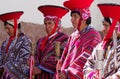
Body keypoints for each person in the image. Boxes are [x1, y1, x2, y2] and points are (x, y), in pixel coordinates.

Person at [55, 0, 101, 79]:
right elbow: (65, 57)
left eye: (75, 16)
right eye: (71, 16)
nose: (72, 19)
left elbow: (87, 60)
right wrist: (60, 68)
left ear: (84, 17)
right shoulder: (73, 35)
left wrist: (68, 72)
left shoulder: (93, 36)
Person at [83, 4, 120, 79]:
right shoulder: (100, 47)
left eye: (106, 25)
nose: (103, 29)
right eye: (103, 25)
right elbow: (87, 66)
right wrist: (92, 76)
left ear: (115, 27)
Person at [33, 5, 69, 79]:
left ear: (57, 25)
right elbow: (36, 55)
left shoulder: (63, 39)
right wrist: (33, 64)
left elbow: (57, 59)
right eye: (45, 24)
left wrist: (41, 69)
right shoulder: (41, 41)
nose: (47, 26)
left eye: (50, 23)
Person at [0, 11, 32, 79]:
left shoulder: (25, 40)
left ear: (16, 26)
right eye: (5, 28)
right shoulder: (5, 43)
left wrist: (6, 68)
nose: (7, 31)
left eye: (9, 28)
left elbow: (24, 60)